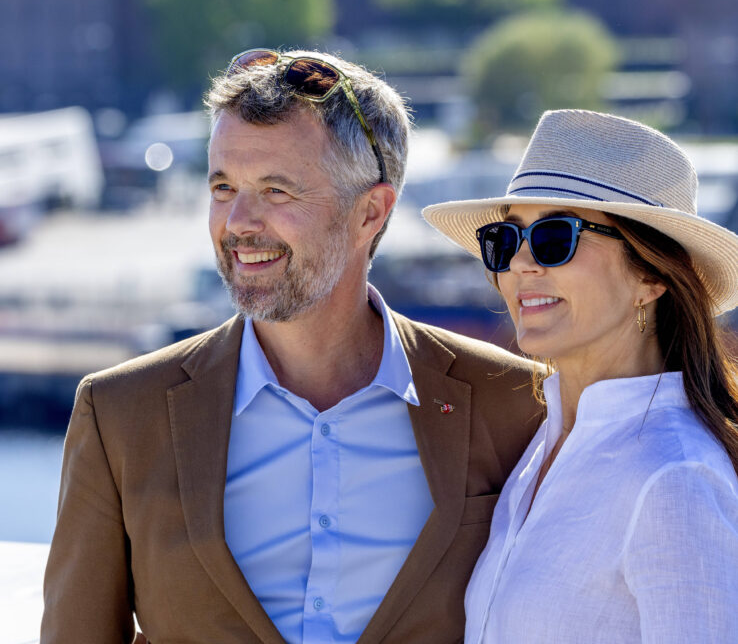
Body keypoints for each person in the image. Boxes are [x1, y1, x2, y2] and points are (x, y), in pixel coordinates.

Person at [41, 49, 542, 644]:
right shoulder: (121, 414)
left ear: (371, 213)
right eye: (224, 187)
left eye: (276, 191)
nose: (239, 222)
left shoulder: (515, 401)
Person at [423, 109, 738, 643]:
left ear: (651, 274)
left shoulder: (676, 480)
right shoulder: (543, 450)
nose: (520, 264)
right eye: (505, 239)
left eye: (553, 237)